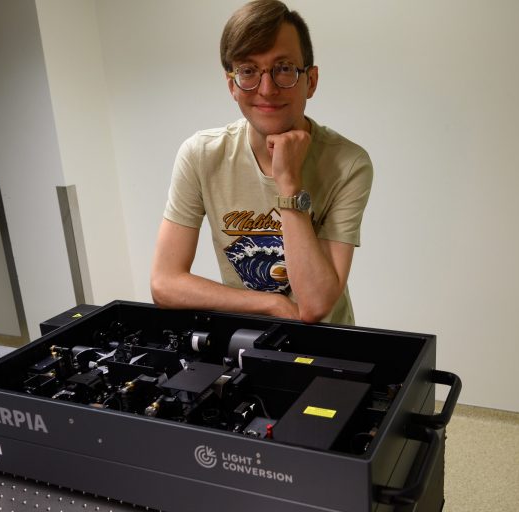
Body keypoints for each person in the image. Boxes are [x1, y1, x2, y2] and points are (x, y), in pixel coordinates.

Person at [150, 0, 372, 325]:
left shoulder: (348, 164)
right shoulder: (201, 155)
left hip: (329, 350)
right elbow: (164, 283)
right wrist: (272, 306)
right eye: (249, 71)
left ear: (310, 81)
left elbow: (313, 307)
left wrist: (289, 185)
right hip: (247, 340)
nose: (266, 90)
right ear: (232, 85)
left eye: (283, 68)